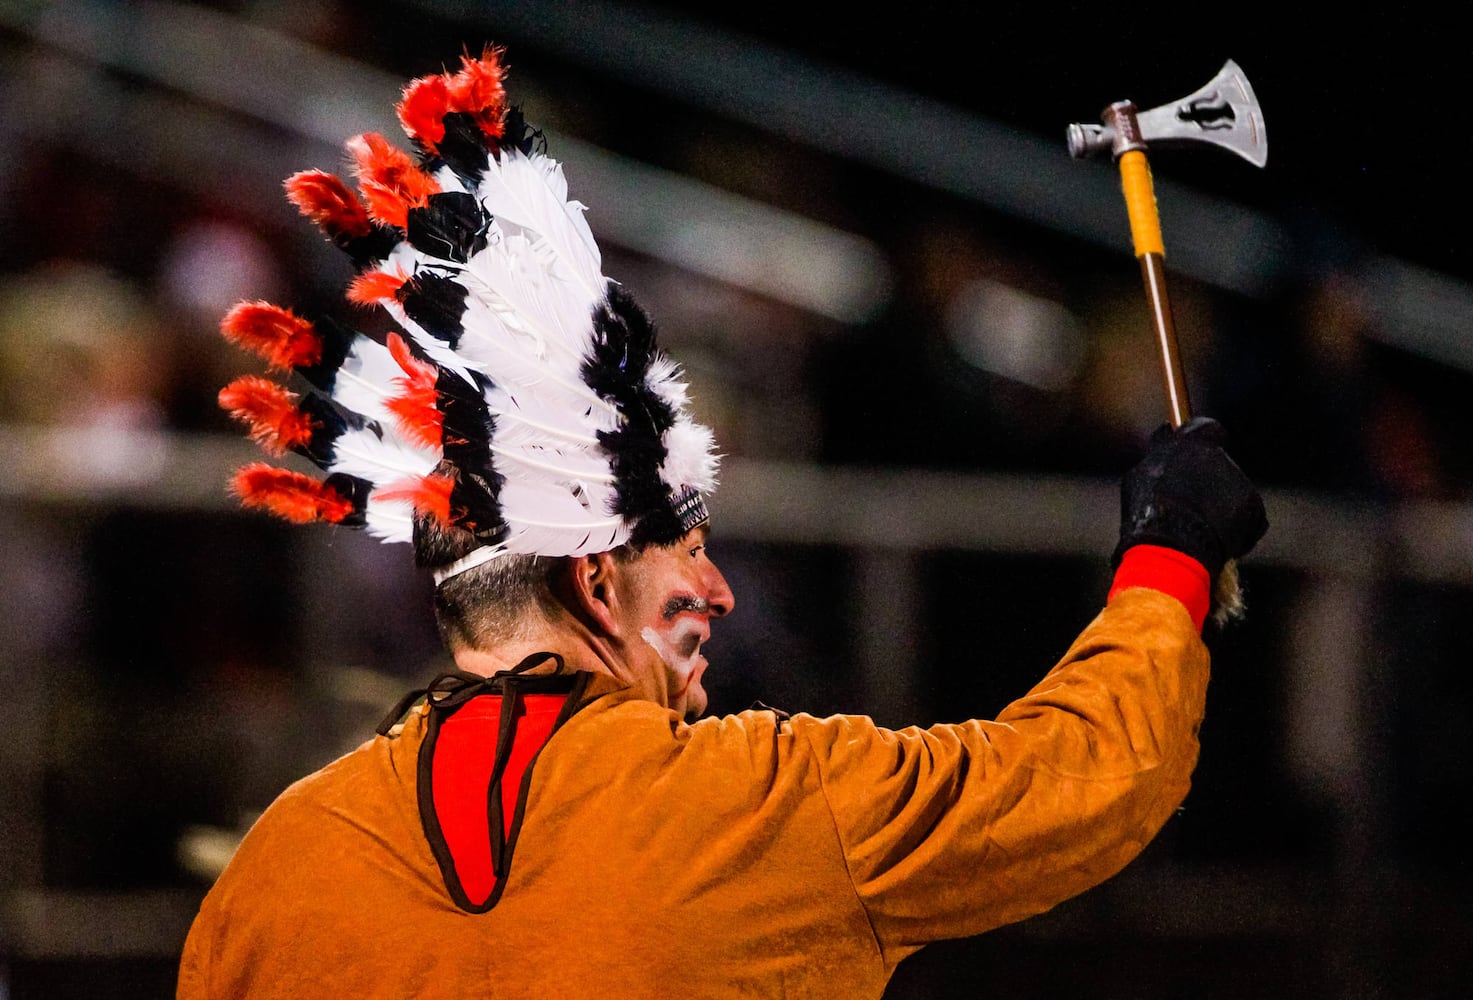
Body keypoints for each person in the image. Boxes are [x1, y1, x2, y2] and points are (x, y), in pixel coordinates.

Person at [177, 49, 1266, 998]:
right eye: (686, 550)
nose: (720, 591)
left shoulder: (275, 871)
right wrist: (1168, 552)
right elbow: (1084, 776)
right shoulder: (761, 806)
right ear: (596, 579)